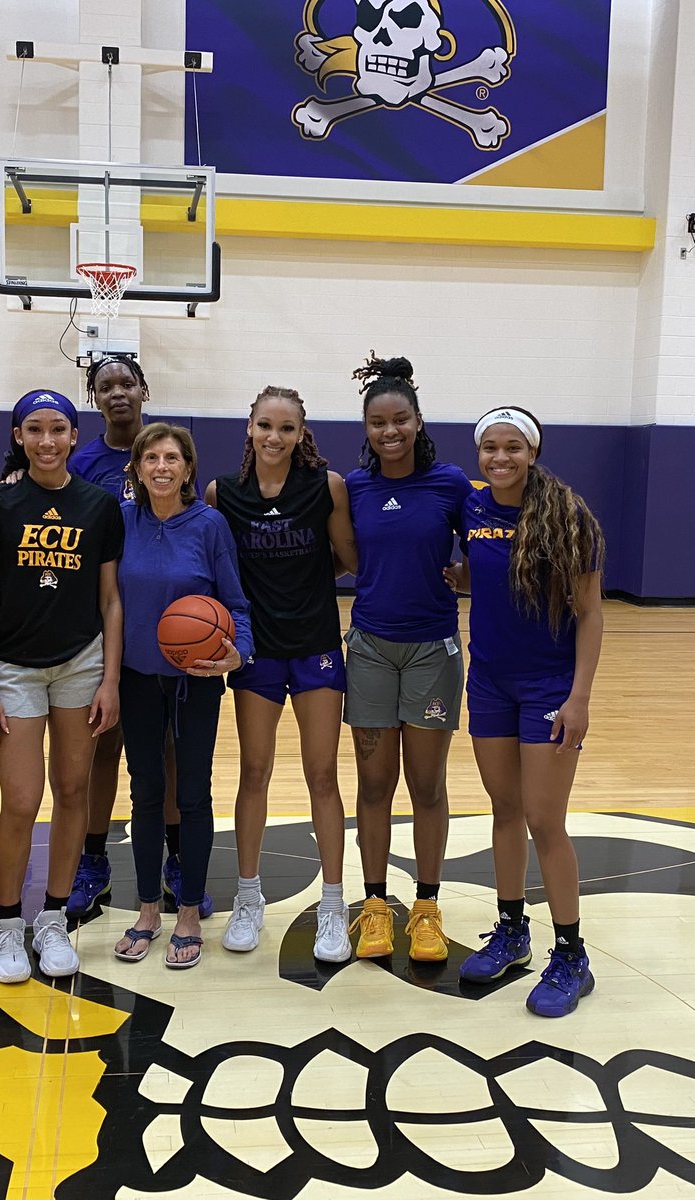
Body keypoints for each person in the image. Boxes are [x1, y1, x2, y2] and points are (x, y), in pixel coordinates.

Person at [0, 390, 123, 984]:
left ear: (75, 436)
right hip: (13, 667)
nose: (48, 440)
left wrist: (109, 677)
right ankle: (9, 925)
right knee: (22, 801)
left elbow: (110, 600)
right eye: (35, 429)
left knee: (74, 791)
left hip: (81, 664)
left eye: (59, 428)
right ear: (18, 436)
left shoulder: (100, 506)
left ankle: (53, 917)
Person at [450, 407, 603, 1017]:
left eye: (513, 447)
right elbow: (481, 577)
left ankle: (572, 956)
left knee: (545, 819)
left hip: (548, 687)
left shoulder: (571, 517)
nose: (500, 458)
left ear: (533, 452)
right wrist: (458, 576)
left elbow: (589, 612)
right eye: (490, 448)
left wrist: (580, 696)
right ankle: (512, 933)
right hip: (488, 680)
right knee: (505, 810)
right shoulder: (472, 507)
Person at [206, 387, 358, 960]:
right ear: (249, 427)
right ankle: (249, 897)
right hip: (258, 651)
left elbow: (347, 557)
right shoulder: (224, 493)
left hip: (316, 643)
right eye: (265, 426)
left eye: (287, 428)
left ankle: (333, 906)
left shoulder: (328, 487)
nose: (275, 437)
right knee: (254, 771)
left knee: (322, 774)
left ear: (301, 434)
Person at [64, 356, 205, 921]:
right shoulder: (82, 461)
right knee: (104, 748)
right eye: (106, 386)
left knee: (167, 755)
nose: (118, 393)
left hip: (169, 632)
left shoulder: (166, 453)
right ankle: (93, 860)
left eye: (127, 383)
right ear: (94, 397)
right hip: (103, 628)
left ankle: (174, 859)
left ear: (144, 389)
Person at [343, 354, 472, 962]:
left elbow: (489, 551)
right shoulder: (355, 487)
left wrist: (464, 572)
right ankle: (374, 907)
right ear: (365, 427)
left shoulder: (449, 484)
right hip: (369, 646)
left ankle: (425, 907)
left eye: (399, 420)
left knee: (426, 784)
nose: (389, 431)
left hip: (431, 651)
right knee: (374, 783)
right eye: (377, 423)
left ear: (418, 422)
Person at [115, 424, 253, 968]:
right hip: (135, 676)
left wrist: (238, 652)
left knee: (193, 793)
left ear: (189, 469)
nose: (162, 467)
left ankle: (190, 911)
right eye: (152, 457)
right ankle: (149, 909)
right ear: (139, 468)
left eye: (172, 457)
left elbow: (236, 604)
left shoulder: (210, 525)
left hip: (197, 678)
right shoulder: (120, 521)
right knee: (147, 791)